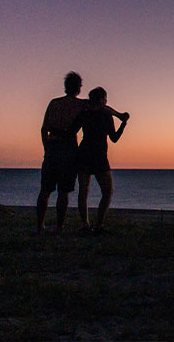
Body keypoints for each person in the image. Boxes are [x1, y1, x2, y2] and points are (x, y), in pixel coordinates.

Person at [37, 71, 124, 235]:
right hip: (77, 151)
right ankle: (63, 227)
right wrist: (120, 117)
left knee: (48, 190)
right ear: (78, 88)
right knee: (65, 191)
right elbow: (105, 111)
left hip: (61, 149)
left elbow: (45, 129)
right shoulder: (82, 106)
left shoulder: (56, 104)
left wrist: (47, 147)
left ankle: (42, 226)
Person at [74, 87, 128, 232]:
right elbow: (114, 138)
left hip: (84, 154)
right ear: (102, 100)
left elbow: (73, 129)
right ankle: (98, 224)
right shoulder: (105, 115)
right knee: (107, 190)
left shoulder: (85, 114)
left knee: (83, 191)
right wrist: (123, 124)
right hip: (99, 156)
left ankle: (86, 224)